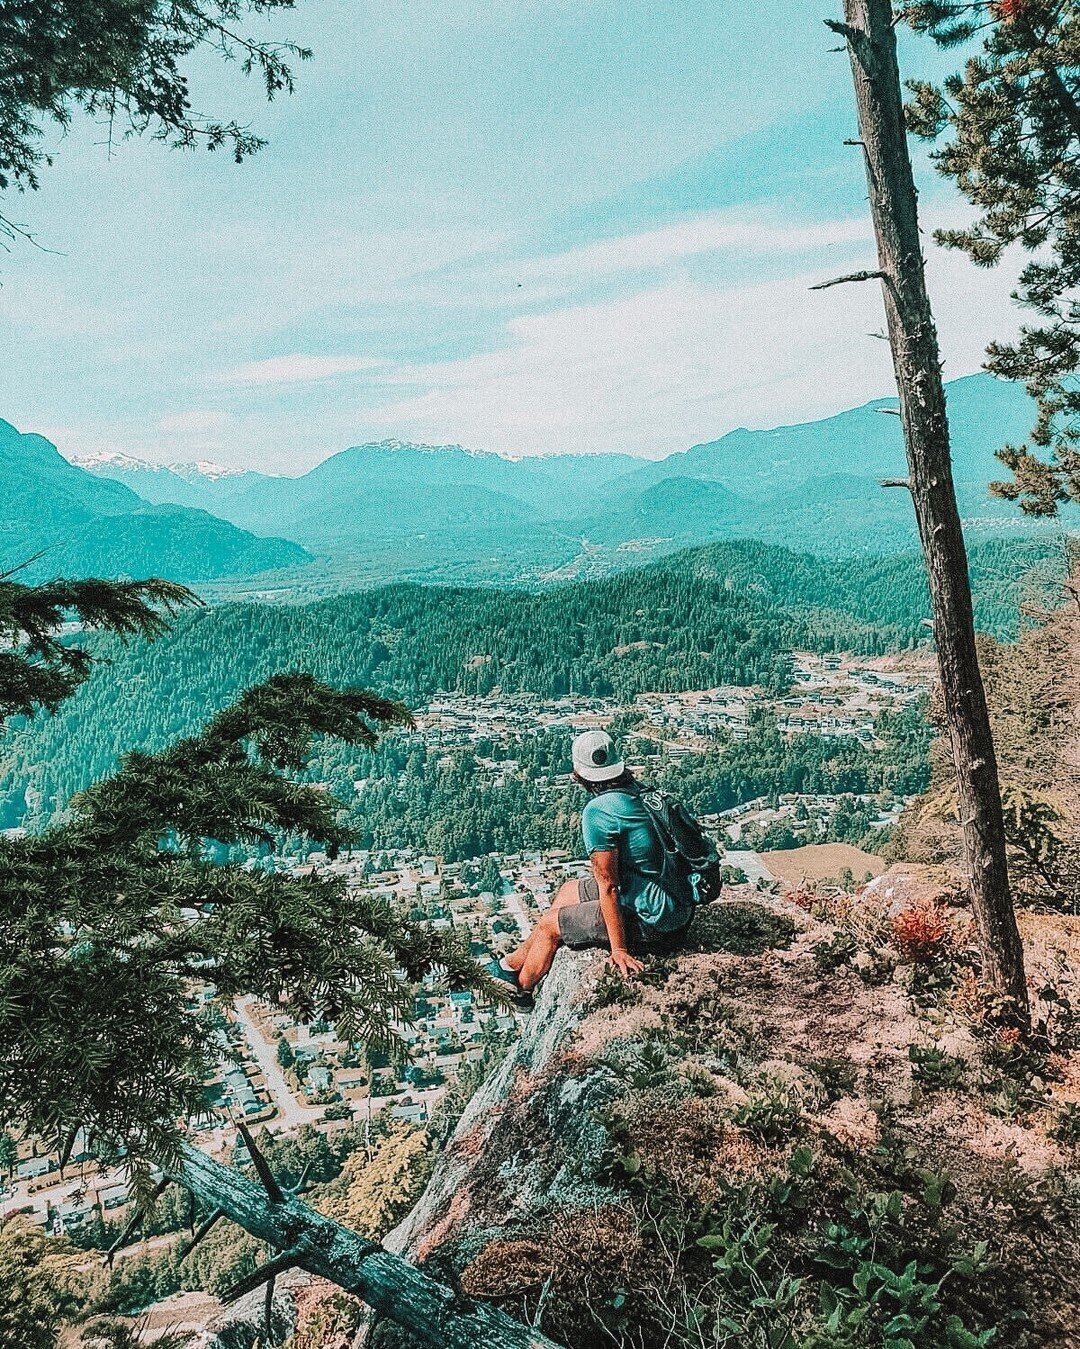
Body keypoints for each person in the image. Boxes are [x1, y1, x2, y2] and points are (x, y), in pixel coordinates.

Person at [491, 730, 695, 1004]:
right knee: (567, 892)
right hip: (674, 902)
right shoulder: (644, 793)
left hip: (657, 925)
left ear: (579, 772)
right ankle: (511, 965)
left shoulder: (599, 811)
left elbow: (608, 885)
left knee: (550, 926)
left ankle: (521, 991)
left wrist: (619, 949)